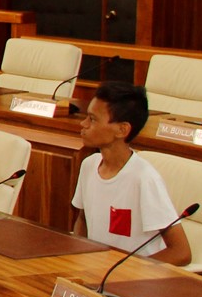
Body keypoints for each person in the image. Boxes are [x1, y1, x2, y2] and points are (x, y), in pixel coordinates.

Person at [72, 81, 193, 266]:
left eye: (93, 119)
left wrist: (128, 270)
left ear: (122, 130)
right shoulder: (89, 165)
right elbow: (83, 220)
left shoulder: (144, 178)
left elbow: (181, 252)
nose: (83, 123)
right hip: (97, 271)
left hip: (133, 277)